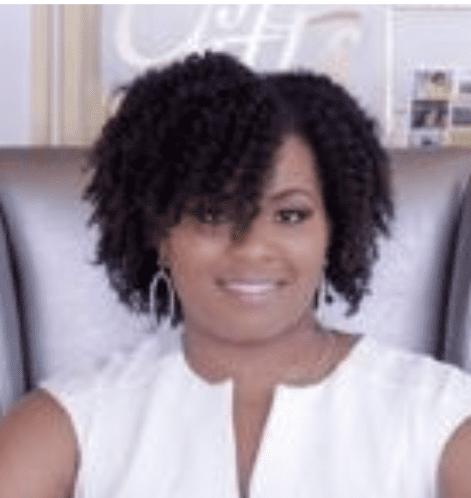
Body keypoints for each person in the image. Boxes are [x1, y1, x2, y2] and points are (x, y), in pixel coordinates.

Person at [1, 51, 471, 498]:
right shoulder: (64, 427)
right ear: (160, 234)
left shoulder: (442, 418)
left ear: (334, 230)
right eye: (211, 215)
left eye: (290, 215)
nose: (252, 248)